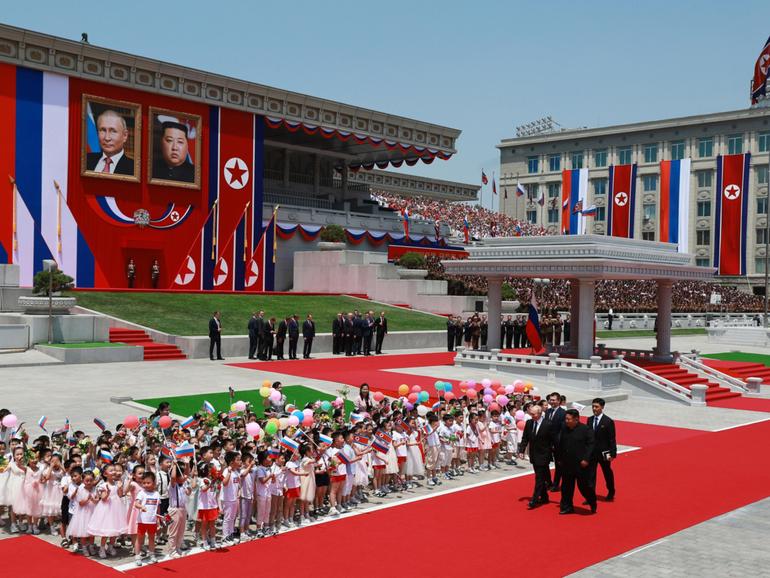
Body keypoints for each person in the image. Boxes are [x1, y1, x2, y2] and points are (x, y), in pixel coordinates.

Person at [557, 409, 597, 515]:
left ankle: (592, 502)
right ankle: (567, 506)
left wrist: (586, 459)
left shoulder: (586, 430)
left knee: (584, 487)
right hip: (567, 463)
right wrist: (559, 458)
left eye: (568, 419)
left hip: (581, 464)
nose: (566, 421)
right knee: (566, 487)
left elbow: (591, 446)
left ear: (576, 419)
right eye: (566, 418)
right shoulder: (564, 428)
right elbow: (561, 444)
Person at [517, 405, 556, 509]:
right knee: (541, 477)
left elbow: (554, 440)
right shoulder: (529, 423)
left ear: (539, 413)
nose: (532, 416)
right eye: (531, 414)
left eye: (534, 414)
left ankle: (534, 500)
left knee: (539, 478)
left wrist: (554, 454)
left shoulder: (548, 424)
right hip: (534, 455)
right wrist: (521, 450)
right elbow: (525, 438)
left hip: (544, 455)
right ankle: (544, 497)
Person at [86, 109, 134, 175]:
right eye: (103, 130)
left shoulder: (134, 169)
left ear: (125, 136)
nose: (107, 138)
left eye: (113, 131)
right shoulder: (85, 160)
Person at [587, 398, 616, 501]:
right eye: (593, 406)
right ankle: (590, 496)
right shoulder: (589, 420)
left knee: (607, 472)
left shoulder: (608, 421)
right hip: (592, 453)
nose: (594, 409)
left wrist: (612, 454)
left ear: (602, 407)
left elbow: (612, 439)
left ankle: (611, 491)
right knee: (590, 475)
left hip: (604, 453)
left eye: (596, 407)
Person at [545, 392, 566, 492]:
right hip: (547, 443)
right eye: (550, 400)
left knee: (559, 464)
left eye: (554, 400)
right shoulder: (547, 412)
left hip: (557, 444)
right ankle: (548, 482)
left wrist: (556, 443)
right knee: (545, 463)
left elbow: (562, 430)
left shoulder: (563, 413)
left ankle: (556, 484)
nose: (551, 402)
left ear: (558, 401)